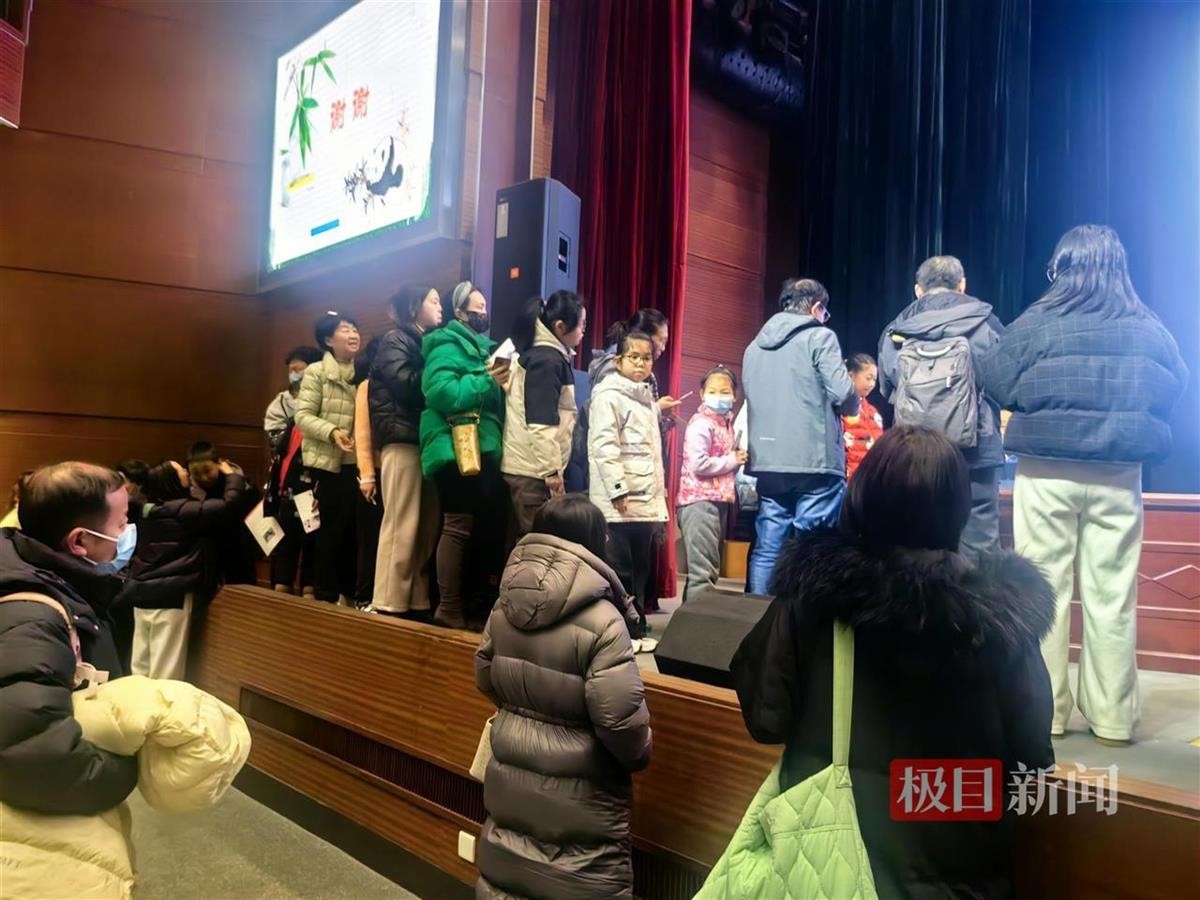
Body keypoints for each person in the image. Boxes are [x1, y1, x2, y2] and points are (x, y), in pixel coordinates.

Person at [732, 427, 1055, 897]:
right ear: (959, 505)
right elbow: (1033, 751)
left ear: (864, 494)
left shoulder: (815, 598)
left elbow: (767, 717)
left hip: (833, 867)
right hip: (961, 874)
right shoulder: (1002, 612)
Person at [982, 225, 1189, 746]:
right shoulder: (1146, 326)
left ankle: (1045, 713)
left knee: (1044, 590)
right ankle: (1114, 718)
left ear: (1062, 268)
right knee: (1112, 596)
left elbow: (995, 377)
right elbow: (1177, 382)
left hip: (1046, 471)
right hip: (1118, 473)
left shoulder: (1038, 321)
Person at [475, 494, 652, 900]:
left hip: (512, 776)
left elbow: (485, 675)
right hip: (584, 796)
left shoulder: (505, 604)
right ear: (595, 540)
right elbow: (622, 727)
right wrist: (640, 750)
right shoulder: (604, 620)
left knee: (511, 876)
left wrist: (522, 712)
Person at [0, 462, 139, 815]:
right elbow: (38, 763)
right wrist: (133, 766)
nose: (129, 533)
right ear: (79, 541)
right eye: (121, 524)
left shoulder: (53, 578)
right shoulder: (33, 618)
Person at [878, 255, 1005, 562]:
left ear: (918, 290)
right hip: (976, 449)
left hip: (914, 453)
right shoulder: (985, 321)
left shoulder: (896, 328)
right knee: (979, 549)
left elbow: (887, 387)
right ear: (962, 285)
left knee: (915, 544)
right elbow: (1001, 380)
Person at [742, 278, 858, 595]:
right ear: (817, 308)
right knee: (812, 546)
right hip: (814, 460)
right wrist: (853, 403)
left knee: (768, 547)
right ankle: (805, 618)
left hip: (767, 461)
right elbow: (843, 394)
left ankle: (761, 617)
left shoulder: (753, 347)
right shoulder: (820, 336)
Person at [421, 281, 509, 629]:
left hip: (481, 447)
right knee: (456, 527)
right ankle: (448, 607)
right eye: (477, 308)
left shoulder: (483, 348)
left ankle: (472, 606)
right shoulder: (445, 344)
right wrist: (487, 380)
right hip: (453, 447)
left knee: (480, 528)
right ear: (459, 312)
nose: (484, 313)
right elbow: (441, 392)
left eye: (485, 307)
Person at [588, 308, 681, 614]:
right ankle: (620, 625)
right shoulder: (607, 395)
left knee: (641, 568)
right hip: (619, 502)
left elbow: (652, 455)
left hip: (643, 501)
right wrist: (617, 489)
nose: (641, 363)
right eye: (634, 357)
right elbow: (604, 446)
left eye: (647, 358)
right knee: (621, 569)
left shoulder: (645, 399)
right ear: (618, 361)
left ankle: (637, 621)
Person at [123, 459, 245, 680]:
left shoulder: (147, 509)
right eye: (180, 470)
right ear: (169, 479)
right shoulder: (184, 510)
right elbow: (229, 506)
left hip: (142, 592)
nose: (186, 472)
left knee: (140, 666)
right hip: (171, 595)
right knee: (166, 671)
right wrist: (232, 476)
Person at [369, 284, 443, 617]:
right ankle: (388, 602)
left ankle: (415, 600)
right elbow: (405, 385)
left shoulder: (425, 342)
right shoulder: (395, 339)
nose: (440, 307)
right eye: (433, 301)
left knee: (425, 525)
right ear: (414, 307)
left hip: (424, 441)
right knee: (402, 522)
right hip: (402, 439)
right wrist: (440, 371)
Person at [501, 290, 587, 534]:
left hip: (531, 468)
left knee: (528, 543)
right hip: (533, 471)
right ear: (560, 327)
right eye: (581, 324)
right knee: (536, 545)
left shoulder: (543, 356)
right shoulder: (547, 362)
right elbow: (541, 422)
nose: (584, 331)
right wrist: (552, 473)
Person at [295, 312, 362, 605]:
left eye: (355, 329)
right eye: (345, 329)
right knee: (329, 530)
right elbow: (302, 416)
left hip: (357, 465)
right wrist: (332, 431)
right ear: (327, 340)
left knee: (352, 531)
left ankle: (348, 594)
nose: (353, 334)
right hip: (326, 463)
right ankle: (325, 594)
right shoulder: (317, 372)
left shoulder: (364, 372)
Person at [677, 365, 746, 602]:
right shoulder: (702, 423)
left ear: (734, 395)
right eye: (713, 391)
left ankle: (689, 619)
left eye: (725, 392)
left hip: (715, 500)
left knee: (706, 571)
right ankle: (695, 623)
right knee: (703, 574)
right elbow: (699, 464)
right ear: (702, 394)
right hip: (699, 502)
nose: (719, 396)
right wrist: (732, 460)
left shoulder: (724, 423)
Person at [352, 337, 383, 608]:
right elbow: (362, 434)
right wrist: (367, 475)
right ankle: (364, 596)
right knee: (370, 537)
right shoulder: (367, 386)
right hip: (374, 472)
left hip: (396, 469)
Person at [265, 346, 324, 452]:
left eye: (297, 369)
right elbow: (274, 439)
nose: (293, 374)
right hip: (293, 456)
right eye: (290, 370)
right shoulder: (281, 402)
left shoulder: (329, 397)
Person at [842, 353, 884, 479]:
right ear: (851, 376)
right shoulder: (840, 409)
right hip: (848, 476)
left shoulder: (873, 411)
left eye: (874, 380)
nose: (872, 384)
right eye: (868, 378)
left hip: (870, 477)